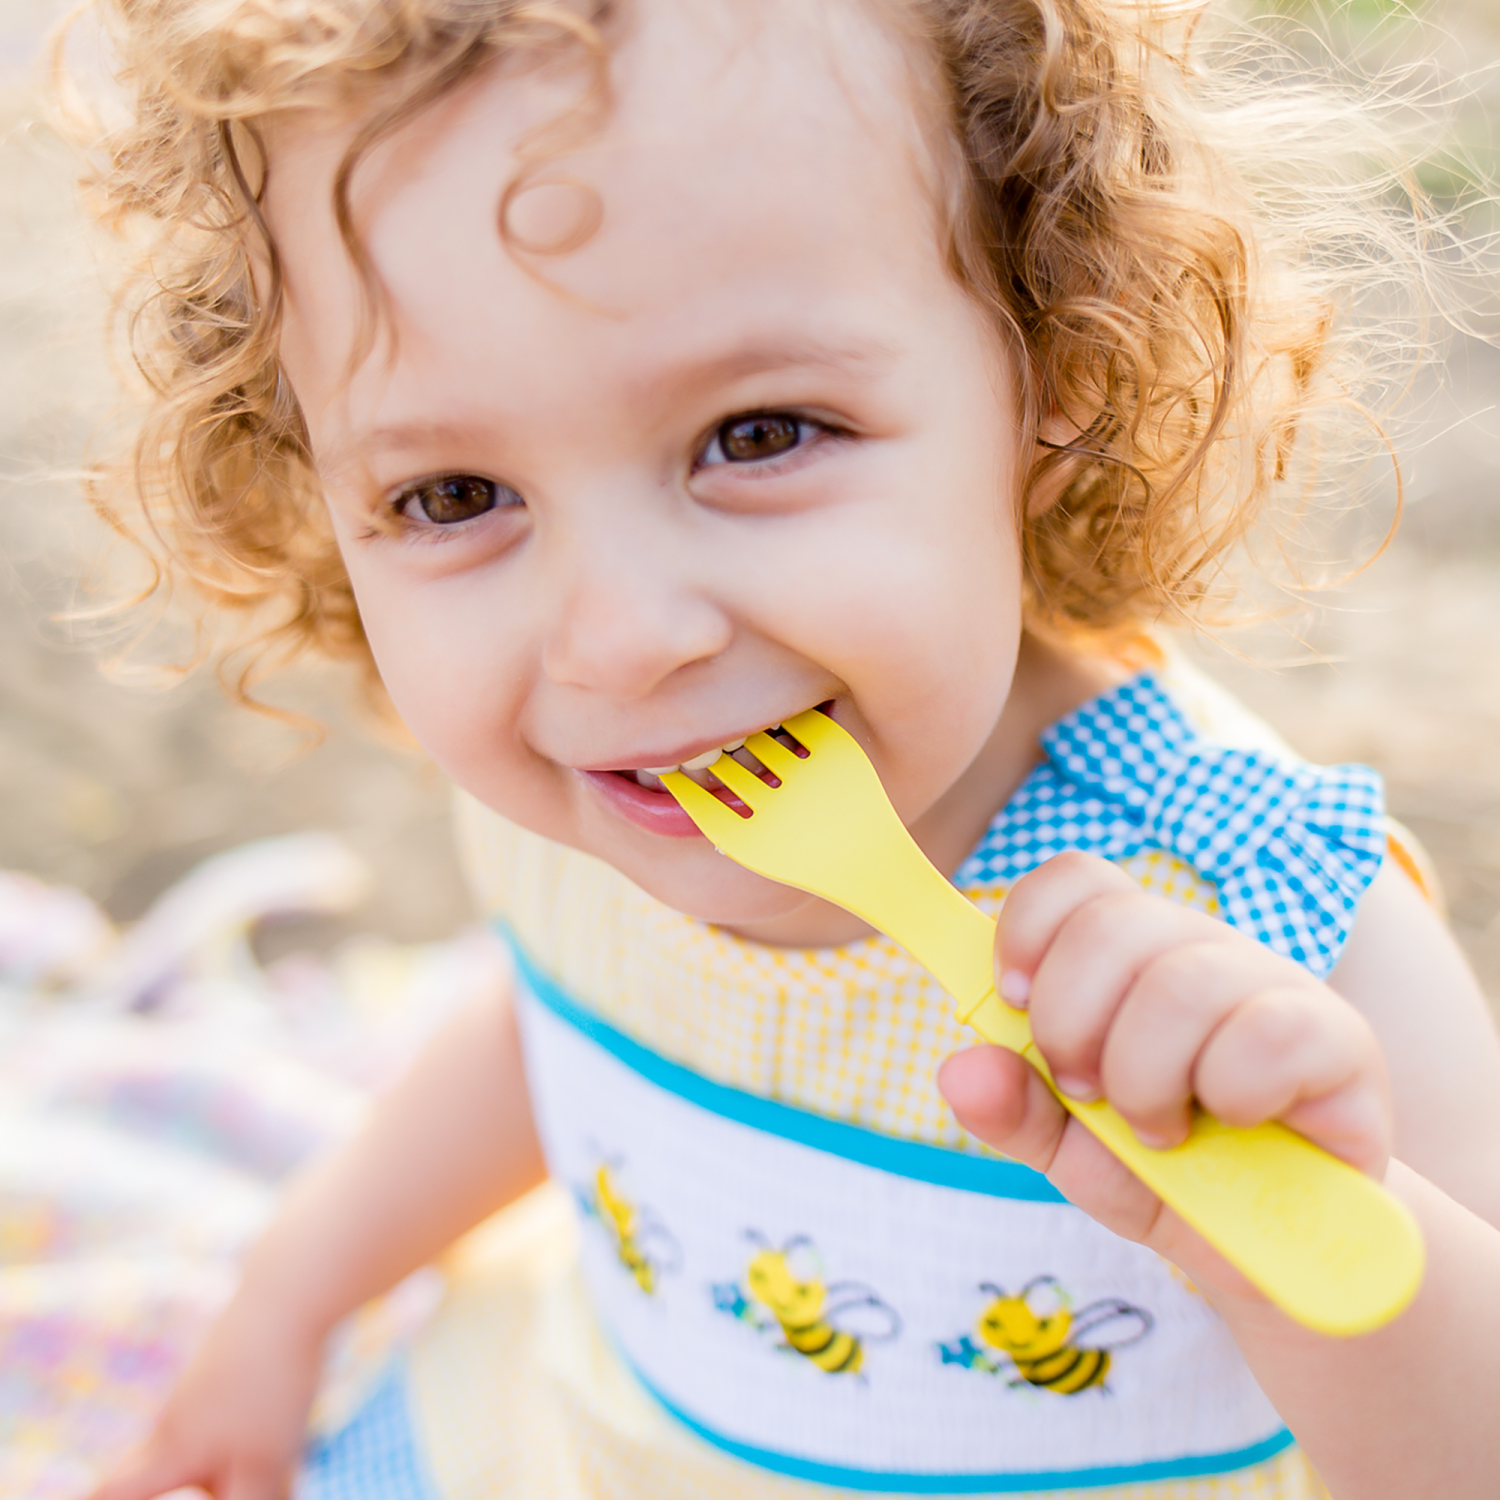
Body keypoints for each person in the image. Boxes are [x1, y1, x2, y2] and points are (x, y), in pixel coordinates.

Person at [64, 0, 1500, 1495]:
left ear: (1055, 362)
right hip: (561, 1439)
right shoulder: (600, 790)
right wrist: (291, 1302)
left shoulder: (1275, 927)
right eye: (452, 495)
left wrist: (1308, 1225)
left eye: (758, 436)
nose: (616, 640)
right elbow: (559, 1028)